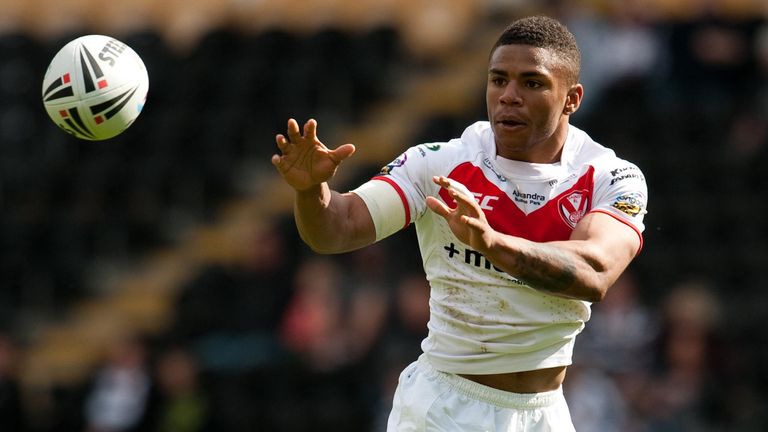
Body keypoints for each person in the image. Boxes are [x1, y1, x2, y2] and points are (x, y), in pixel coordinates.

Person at [271, 15, 648, 432]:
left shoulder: (610, 176)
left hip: (544, 414)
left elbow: (594, 272)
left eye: (532, 83)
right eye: (498, 79)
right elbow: (337, 228)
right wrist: (311, 193)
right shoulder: (441, 162)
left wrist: (492, 242)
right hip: (445, 408)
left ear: (572, 98)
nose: (509, 96)